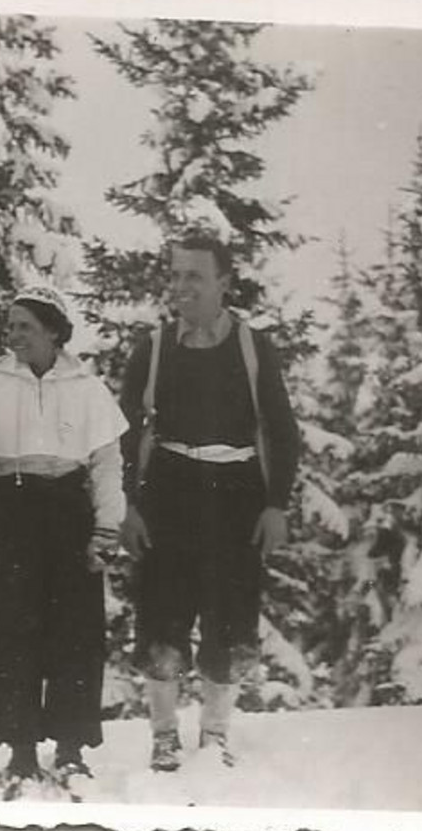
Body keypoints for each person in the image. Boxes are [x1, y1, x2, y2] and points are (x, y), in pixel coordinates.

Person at [119, 236, 300, 772]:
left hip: (235, 494)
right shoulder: (152, 349)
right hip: (169, 491)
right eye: (175, 275)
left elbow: (283, 431)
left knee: (230, 619)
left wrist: (276, 505)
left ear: (224, 282)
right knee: (161, 619)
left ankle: (216, 734)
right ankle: (164, 735)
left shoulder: (252, 347)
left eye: (195, 276)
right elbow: (125, 434)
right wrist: (128, 505)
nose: (181, 287)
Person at [0, 286, 127, 795]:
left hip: (70, 511)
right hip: (14, 510)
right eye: (9, 327)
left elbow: (108, 465)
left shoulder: (88, 389)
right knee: (13, 631)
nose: (14, 336)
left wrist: (106, 527)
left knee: (76, 632)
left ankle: (71, 749)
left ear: (54, 330)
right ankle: (22, 749)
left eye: (25, 326)